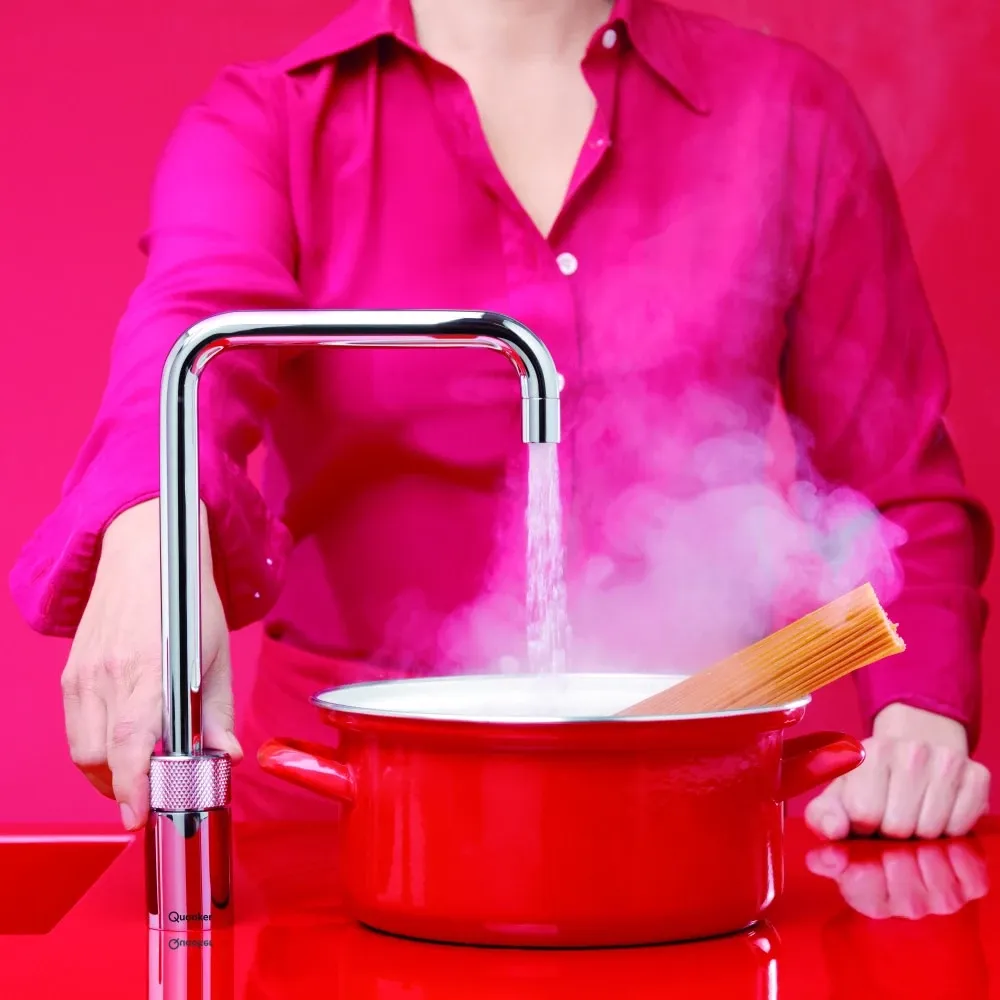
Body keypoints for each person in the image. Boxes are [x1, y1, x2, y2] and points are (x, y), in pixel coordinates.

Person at [10, 0, 992, 839]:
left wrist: (920, 719)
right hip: (341, 812)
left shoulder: (788, 112)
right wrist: (151, 533)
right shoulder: (269, 121)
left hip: (697, 799)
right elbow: (190, 341)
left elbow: (899, 491)